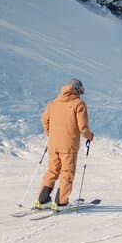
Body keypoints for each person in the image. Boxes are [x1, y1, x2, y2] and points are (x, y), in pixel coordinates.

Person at [35, 78, 94, 210]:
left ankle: (43, 200)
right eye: (81, 91)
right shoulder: (78, 104)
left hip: (53, 144)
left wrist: (51, 134)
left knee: (52, 171)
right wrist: (89, 136)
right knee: (67, 172)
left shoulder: (53, 103)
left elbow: (44, 119)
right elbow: (82, 127)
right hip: (69, 145)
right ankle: (61, 202)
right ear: (77, 90)